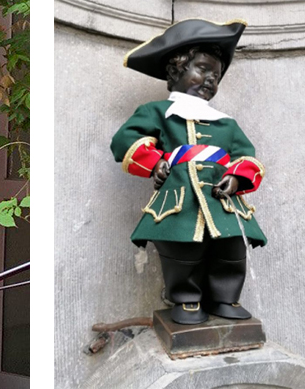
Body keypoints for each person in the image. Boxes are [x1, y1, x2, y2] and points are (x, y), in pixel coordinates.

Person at [111, 19, 266, 325]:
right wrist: (154, 162)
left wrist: (235, 177)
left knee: (232, 247)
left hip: (222, 201)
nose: (210, 79)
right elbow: (124, 140)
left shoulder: (227, 123)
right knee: (182, 249)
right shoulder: (157, 112)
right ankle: (186, 300)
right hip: (178, 199)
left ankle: (225, 297)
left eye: (216, 75)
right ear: (176, 69)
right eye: (203, 68)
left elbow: (248, 156)